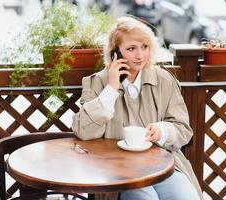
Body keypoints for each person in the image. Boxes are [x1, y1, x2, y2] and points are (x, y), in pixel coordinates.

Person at [72, 16, 203, 200]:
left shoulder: (164, 80)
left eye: (145, 47)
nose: (140, 55)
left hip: (163, 166)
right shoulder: (97, 83)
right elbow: (83, 131)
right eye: (131, 49)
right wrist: (111, 88)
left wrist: (162, 131)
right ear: (114, 52)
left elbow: (183, 129)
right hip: (119, 172)